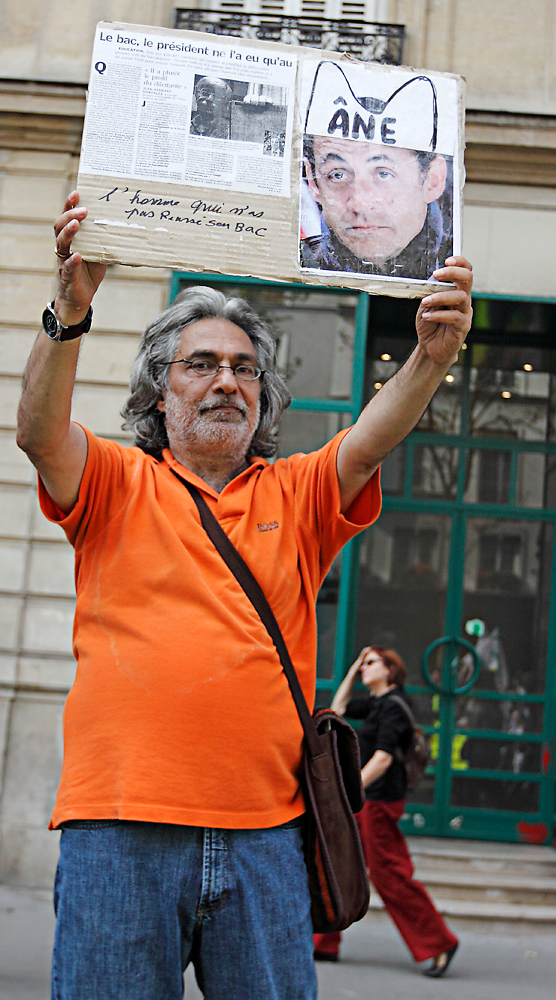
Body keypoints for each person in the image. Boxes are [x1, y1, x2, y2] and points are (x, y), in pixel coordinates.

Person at [16, 190, 472, 1000]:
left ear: (261, 394)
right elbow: (39, 433)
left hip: (265, 836)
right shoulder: (117, 480)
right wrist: (69, 308)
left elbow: (370, 439)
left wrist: (432, 357)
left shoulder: (297, 494)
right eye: (201, 364)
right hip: (119, 831)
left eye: (244, 368)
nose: (226, 381)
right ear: (162, 391)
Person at [313, 646, 460, 977]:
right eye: (362, 664)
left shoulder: (395, 707)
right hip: (367, 800)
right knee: (340, 864)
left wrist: (350, 790)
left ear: (390, 670)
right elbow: (337, 709)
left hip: (378, 801)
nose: (364, 668)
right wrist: (351, 671)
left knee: (388, 874)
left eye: (370, 663)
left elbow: (384, 758)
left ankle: (438, 942)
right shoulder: (377, 704)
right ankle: (324, 942)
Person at [300, 136, 452, 279]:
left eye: (384, 174)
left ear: (433, 180)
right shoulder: (295, 266)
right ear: (313, 183)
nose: (360, 205)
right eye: (337, 175)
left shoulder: (453, 269)